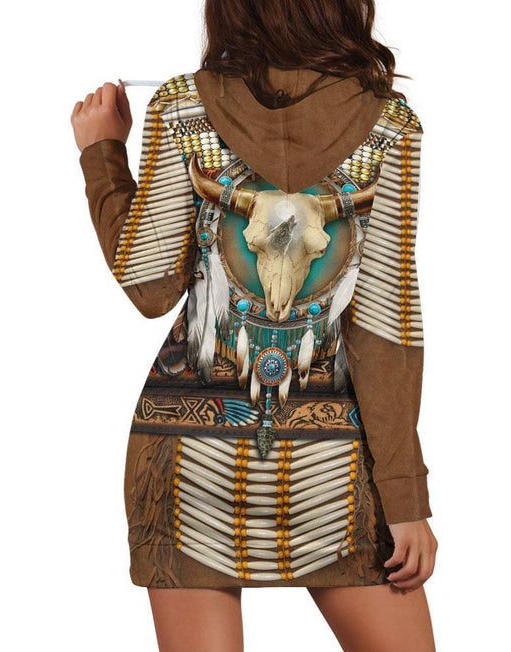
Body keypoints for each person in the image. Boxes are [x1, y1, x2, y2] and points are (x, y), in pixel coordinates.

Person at [71, 1, 438, 650]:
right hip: (333, 454)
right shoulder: (390, 125)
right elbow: (386, 324)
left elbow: (150, 287)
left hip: (187, 448)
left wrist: (101, 152)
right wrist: (405, 497)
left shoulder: (181, 108)